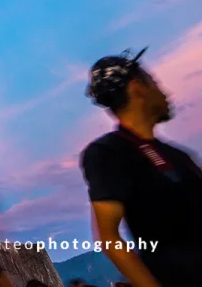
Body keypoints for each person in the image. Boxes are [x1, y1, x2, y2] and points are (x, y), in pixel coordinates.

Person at [81, 47, 202, 286]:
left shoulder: (178, 156)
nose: (164, 93)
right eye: (155, 83)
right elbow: (109, 238)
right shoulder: (109, 152)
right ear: (137, 87)